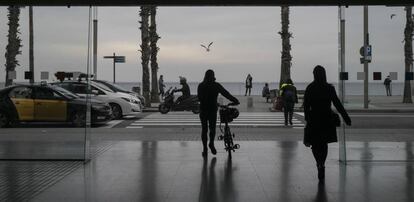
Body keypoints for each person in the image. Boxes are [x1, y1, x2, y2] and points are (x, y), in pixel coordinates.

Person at [303, 65, 351, 181]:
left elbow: (306, 106)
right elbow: (337, 104)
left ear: (314, 74)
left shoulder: (310, 87)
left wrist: (308, 118)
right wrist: (346, 117)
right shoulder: (329, 88)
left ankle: (318, 163)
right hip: (326, 118)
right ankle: (322, 164)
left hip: (314, 119)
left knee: (315, 144)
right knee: (324, 144)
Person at [198, 70, 240, 158]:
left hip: (203, 110)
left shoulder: (201, 85)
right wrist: (235, 100)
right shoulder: (216, 85)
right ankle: (211, 144)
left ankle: (205, 149)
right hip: (212, 110)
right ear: (213, 76)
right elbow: (226, 93)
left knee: (204, 129)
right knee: (212, 129)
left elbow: (200, 98)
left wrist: (209, 101)